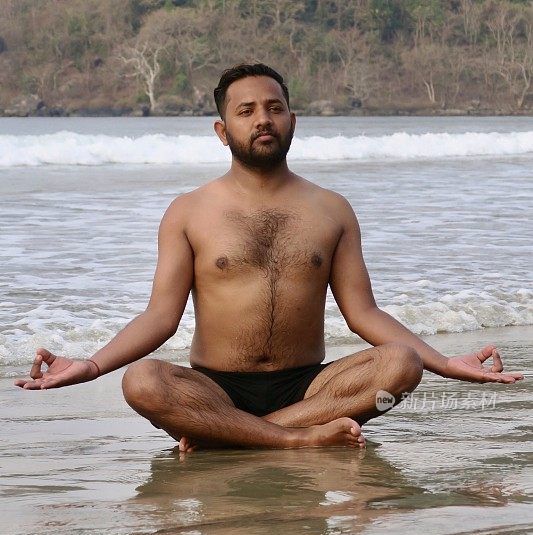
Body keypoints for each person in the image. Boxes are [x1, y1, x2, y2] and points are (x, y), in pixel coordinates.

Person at [15, 63, 523, 451]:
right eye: (246, 110)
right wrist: (91, 364)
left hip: (313, 388)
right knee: (142, 381)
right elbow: (160, 317)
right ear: (222, 130)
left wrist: (444, 364)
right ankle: (292, 440)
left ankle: (231, 439)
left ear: (292, 120)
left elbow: (363, 313)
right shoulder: (189, 211)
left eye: (274, 108)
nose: (263, 119)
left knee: (401, 363)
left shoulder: (332, 210)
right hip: (215, 389)